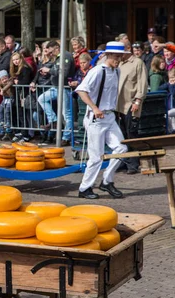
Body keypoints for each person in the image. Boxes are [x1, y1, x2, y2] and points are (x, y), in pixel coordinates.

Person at [75, 41, 129, 199]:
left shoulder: (117, 71)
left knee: (121, 149)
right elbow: (81, 90)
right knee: (96, 156)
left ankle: (106, 181)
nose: (118, 59)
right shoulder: (98, 71)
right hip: (96, 118)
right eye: (116, 56)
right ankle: (85, 188)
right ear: (108, 55)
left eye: (120, 57)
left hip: (109, 116)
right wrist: (94, 107)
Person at [37, 39, 76, 145]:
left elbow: (64, 72)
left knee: (66, 113)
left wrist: (49, 70)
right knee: (42, 98)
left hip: (64, 87)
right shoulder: (58, 57)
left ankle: (66, 137)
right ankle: (53, 120)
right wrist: (49, 73)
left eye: (51, 51)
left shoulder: (65, 56)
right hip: (56, 87)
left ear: (56, 48)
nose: (50, 54)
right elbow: (57, 70)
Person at [117, 40, 147, 174]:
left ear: (128, 49)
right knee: (121, 135)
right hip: (118, 105)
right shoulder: (120, 63)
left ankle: (134, 164)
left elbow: (142, 84)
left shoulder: (137, 63)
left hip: (131, 104)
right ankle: (124, 161)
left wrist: (138, 101)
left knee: (132, 134)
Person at [159, 68, 175, 134]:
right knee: (172, 118)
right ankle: (174, 131)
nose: (171, 79)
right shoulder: (170, 83)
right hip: (170, 106)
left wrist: (171, 85)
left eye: (173, 77)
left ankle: (173, 130)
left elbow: (174, 92)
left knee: (167, 115)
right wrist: (168, 84)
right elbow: (160, 88)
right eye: (170, 78)